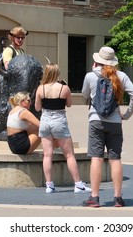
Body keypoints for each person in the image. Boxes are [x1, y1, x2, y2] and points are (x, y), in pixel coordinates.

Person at [81, 46, 133, 207]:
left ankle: (94, 197)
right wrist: (126, 114)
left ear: (97, 61)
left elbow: (85, 95)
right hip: (115, 122)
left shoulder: (90, 76)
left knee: (96, 158)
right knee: (115, 159)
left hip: (96, 121)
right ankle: (118, 197)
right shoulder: (121, 76)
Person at [35, 63, 91, 194]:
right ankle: (78, 184)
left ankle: (49, 185)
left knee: (47, 155)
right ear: (57, 73)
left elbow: (37, 108)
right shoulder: (64, 88)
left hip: (45, 119)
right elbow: (69, 104)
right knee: (69, 154)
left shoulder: (40, 88)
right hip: (59, 119)